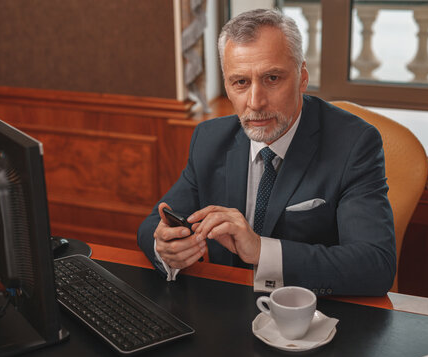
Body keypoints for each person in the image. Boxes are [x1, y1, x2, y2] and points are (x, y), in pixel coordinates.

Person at [137, 8, 396, 296]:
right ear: (227, 84)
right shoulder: (209, 139)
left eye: (272, 78)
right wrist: (167, 248)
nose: (255, 102)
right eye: (240, 82)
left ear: (302, 77)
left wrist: (261, 250)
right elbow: (153, 225)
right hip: (227, 312)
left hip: (313, 316)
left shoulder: (354, 144)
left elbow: (375, 265)